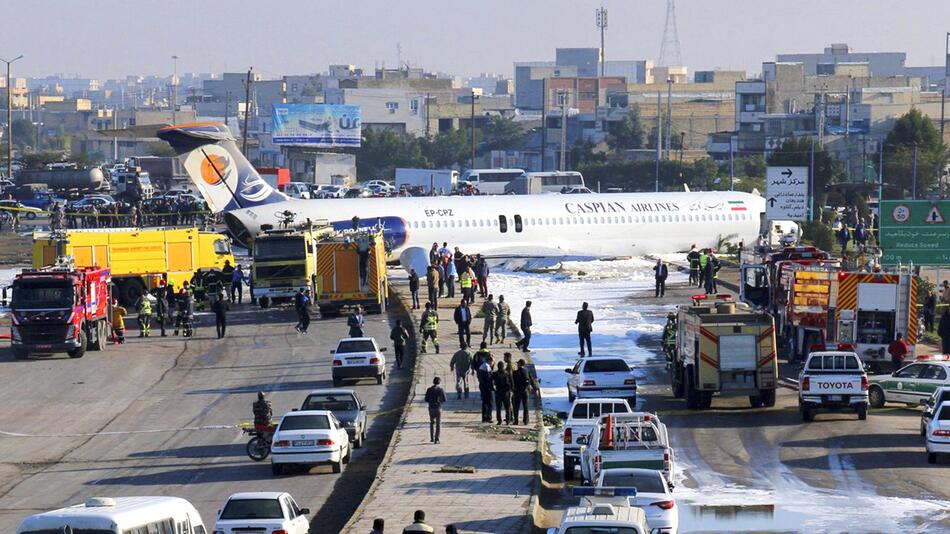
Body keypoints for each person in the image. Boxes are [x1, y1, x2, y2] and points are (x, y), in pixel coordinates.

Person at [424, 377, 446, 444]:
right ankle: (437, 439)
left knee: (432, 422)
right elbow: (444, 399)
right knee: (438, 423)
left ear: (433, 382)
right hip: (438, 408)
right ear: (439, 382)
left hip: (431, 408)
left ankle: (432, 438)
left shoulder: (429, 389)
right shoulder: (441, 390)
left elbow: (426, 399)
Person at [512, 358, 534, 425]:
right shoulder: (527, 371)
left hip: (517, 392)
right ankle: (526, 421)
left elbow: (513, 382)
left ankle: (516, 421)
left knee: (516, 407)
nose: (517, 364)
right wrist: (535, 388)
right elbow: (532, 379)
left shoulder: (515, 373)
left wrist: (513, 389)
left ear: (519, 364)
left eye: (518, 363)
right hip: (525, 391)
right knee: (526, 406)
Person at [476, 348, 495, 423]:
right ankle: (489, 417)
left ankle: (484, 418)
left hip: (482, 386)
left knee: (484, 402)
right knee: (490, 402)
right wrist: (492, 387)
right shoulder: (487, 367)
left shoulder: (482, 366)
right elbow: (488, 378)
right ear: (489, 361)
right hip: (487, 388)